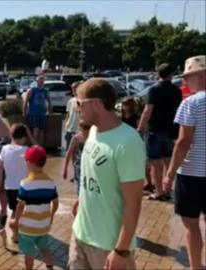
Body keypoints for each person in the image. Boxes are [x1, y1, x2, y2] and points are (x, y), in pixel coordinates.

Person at [68, 79, 145, 269]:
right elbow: (93, 174)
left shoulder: (127, 141)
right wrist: (82, 199)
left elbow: (133, 202)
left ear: (97, 104)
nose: (77, 108)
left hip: (107, 245)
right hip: (80, 234)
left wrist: (121, 250)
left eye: (80, 103)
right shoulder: (93, 131)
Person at [163, 55, 206, 270]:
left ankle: (196, 266)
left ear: (200, 75)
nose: (185, 82)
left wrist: (169, 174)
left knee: (191, 225)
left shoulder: (191, 103)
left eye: (188, 77)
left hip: (192, 174)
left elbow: (183, 141)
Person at [137, 63, 182, 201]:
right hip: (171, 130)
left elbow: (147, 111)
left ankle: (159, 191)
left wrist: (140, 128)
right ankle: (168, 189)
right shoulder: (177, 91)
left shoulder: (154, 90)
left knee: (155, 164)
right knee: (169, 161)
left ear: (158, 74)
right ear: (172, 74)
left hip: (154, 130)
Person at [9, 145, 58, 270]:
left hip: (28, 228)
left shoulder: (25, 184)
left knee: (29, 253)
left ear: (29, 163)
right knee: (44, 248)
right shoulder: (51, 182)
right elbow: (55, 203)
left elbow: (20, 206)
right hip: (44, 226)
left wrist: (16, 220)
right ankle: (50, 267)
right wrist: (50, 217)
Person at [0, 124, 33, 243]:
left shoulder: (5, 148)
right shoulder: (26, 150)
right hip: (23, 187)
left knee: (14, 211)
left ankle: (13, 232)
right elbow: (38, 153)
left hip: (9, 187)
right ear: (24, 137)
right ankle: (16, 234)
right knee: (22, 211)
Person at [23, 75, 53, 145]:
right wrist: (24, 112)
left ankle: (40, 148)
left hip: (42, 114)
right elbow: (26, 102)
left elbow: (49, 102)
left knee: (41, 132)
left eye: (42, 81)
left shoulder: (45, 91)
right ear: (37, 82)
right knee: (35, 132)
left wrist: (50, 111)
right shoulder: (32, 90)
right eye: (40, 81)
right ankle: (35, 147)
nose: (41, 82)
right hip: (34, 113)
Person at [62, 121, 91, 194]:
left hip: (90, 166)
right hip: (79, 166)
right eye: (84, 128)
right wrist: (65, 170)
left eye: (87, 128)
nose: (85, 130)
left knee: (88, 187)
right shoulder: (76, 138)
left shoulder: (93, 137)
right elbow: (69, 153)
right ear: (80, 128)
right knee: (79, 188)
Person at [64, 81, 82, 149]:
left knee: (78, 152)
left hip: (79, 130)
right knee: (69, 150)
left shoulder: (83, 101)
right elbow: (68, 114)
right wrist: (66, 124)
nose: (74, 90)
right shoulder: (70, 101)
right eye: (73, 88)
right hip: (69, 129)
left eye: (75, 88)